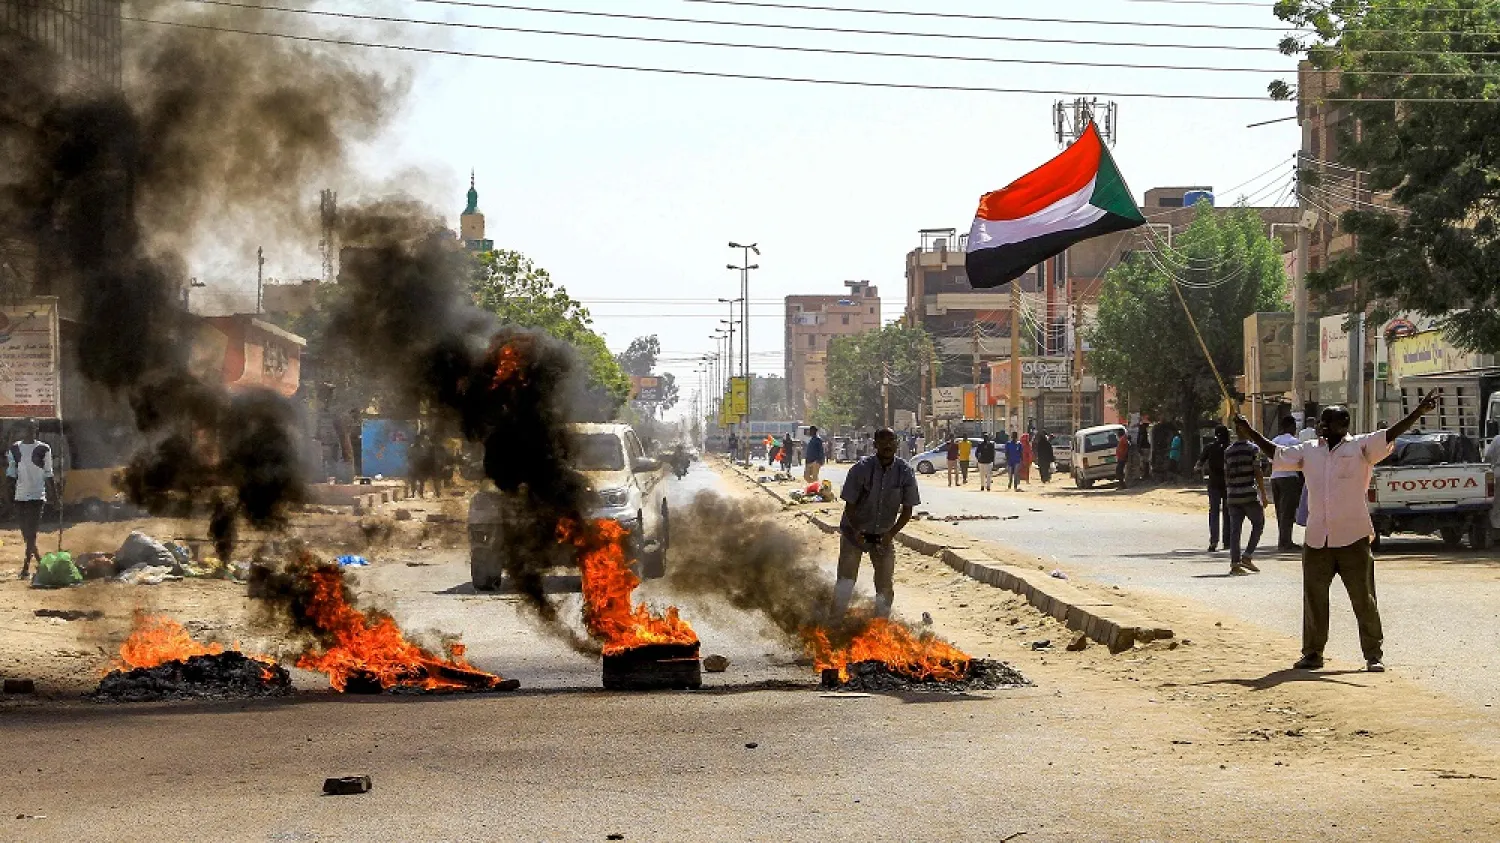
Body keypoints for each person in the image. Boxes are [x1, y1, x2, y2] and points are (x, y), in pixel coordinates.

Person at [1236, 390, 1440, 673]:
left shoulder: (1361, 447)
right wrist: (1250, 432)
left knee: (1363, 598)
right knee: (1314, 599)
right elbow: (1277, 454)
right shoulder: (1309, 449)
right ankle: (1312, 653)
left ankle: (1373, 654)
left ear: (1343, 426)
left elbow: (1390, 434)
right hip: (1317, 538)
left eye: (1327, 422)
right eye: (1321, 421)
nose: (1321, 426)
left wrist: (1417, 413)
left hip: (1353, 537)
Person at [831, 428, 920, 620]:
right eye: (883, 441)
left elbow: (907, 511)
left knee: (885, 586)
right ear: (875, 445)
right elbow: (850, 506)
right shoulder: (860, 469)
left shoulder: (905, 471)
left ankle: (881, 625)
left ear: (897, 444)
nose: (888, 445)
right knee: (846, 582)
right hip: (854, 533)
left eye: (892, 441)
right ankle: (835, 622)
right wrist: (857, 531)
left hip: (883, 536)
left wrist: (890, 534)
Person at [7, 420, 54, 580]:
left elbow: (49, 473)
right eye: (27, 428)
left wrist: (54, 497)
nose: (29, 431)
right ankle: (40, 562)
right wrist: (8, 494)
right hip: (20, 496)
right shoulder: (15, 448)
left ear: (36, 429)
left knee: (31, 533)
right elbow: (11, 473)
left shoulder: (44, 448)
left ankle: (26, 568)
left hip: (37, 496)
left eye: (32, 428)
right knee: (26, 534)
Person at [1223, 425, 1269, 575]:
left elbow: (1226, 473)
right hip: (1249, 494)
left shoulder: (1228, 451)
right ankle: (1247, 556)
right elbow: (1258, 471)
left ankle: (1235, 564)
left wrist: (1230, 490)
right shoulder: (1253, 449)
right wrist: (1263, 493)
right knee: (1259, 523)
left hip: (1233, 495)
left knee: (1235, 530)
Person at [1269, 417, 1305, 551]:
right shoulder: (1294, 442)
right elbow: (1301, 461)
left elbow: (1270, 459)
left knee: (1280, 511)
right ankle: (1286, 542)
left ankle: (1283, 539)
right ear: (1291, 427)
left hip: (1275, 477)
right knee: (1288, 511)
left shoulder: (1274, 441)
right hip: (1289, 477)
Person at [1194, 425, 1231, 552]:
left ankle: (1214, 541)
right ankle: (1227, 541)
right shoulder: (1230, 448)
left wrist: (1199, 471)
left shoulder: (1209, 447)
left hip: (1213, 483)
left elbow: (1198, 465)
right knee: (1228, 512)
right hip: (1228, 484)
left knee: (1214, 512)